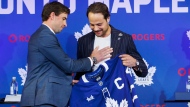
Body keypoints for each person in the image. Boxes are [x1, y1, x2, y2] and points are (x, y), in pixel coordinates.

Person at [20, 1, 113, 107]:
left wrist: (66, 81)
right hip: (42, 99)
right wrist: (93, 59)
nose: (65, 24)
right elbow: (68, 65)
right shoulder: (44, 36)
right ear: (53, 15)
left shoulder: (44, 35)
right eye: (64, 18)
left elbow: (48, 68)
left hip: (44, 98)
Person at [74, 2, 148, 82]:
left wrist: (135, 63)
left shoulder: (125, 39)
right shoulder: (83, 41)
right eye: (92, 25)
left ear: (108, 18)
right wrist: (91, 60)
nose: (95, 28)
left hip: (116, 91)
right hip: (92, 92)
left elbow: (143, 72)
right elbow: (80, 71)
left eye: (99, 24)